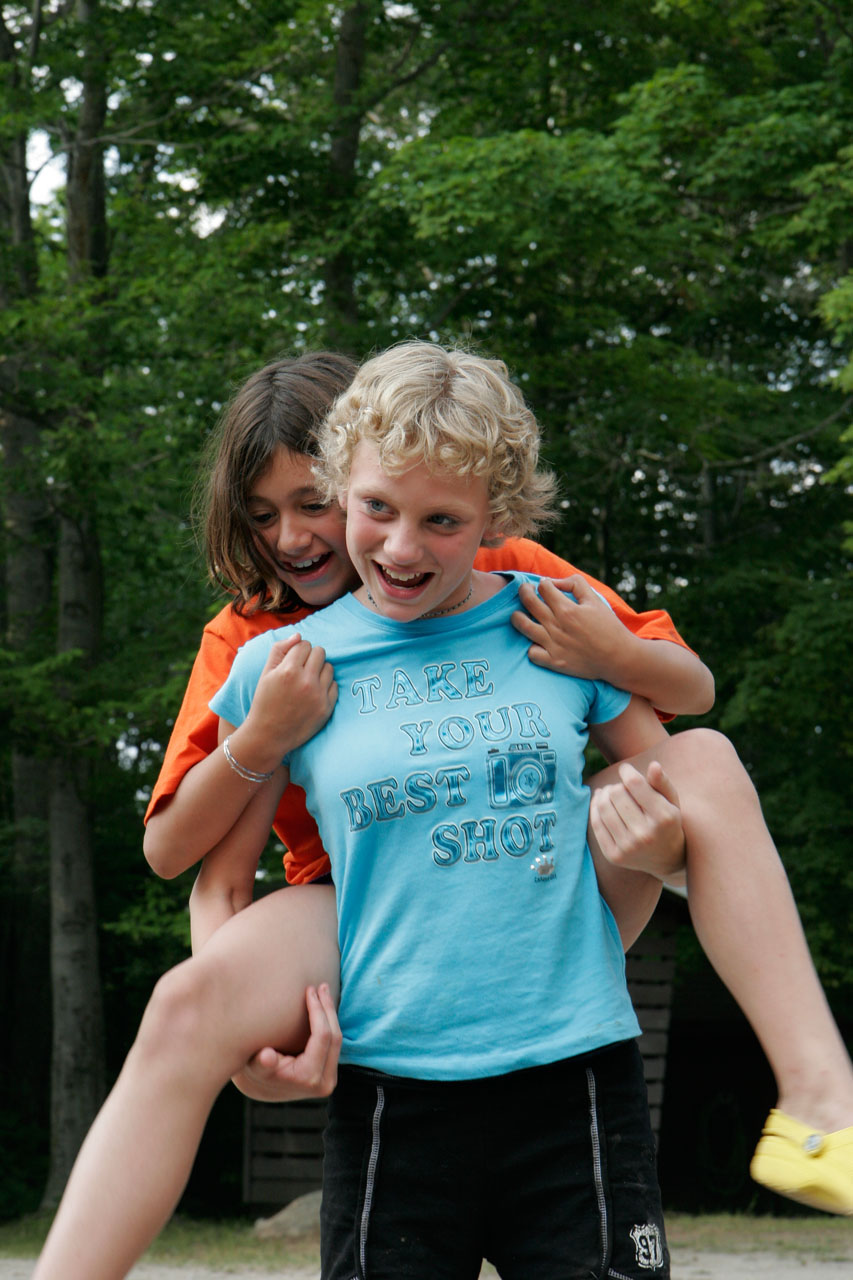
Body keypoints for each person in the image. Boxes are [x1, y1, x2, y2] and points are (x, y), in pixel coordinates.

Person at [30, 352, 701, 1280]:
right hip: (351, 913)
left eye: (311, 502)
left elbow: (679, 698)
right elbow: (190, 864)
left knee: (695, 775)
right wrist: (246, 1041)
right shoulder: (257, 640)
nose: (292, 537)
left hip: (527, 878)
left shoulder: (501, 569)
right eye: (261, 515)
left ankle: (812, 1080)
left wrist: (662, 837)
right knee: (183, 1007)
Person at [210, 339, 679, 1277]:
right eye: (377, 509)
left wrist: (662, 850)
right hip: (392, 1086)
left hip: (577, 1071)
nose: (400, 547)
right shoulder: (277, 666)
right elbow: (213, 876)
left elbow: (676, 779)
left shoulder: (552, 616)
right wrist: (239, 1035)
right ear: (344, 486)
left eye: (442, 520)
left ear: (493, 516)